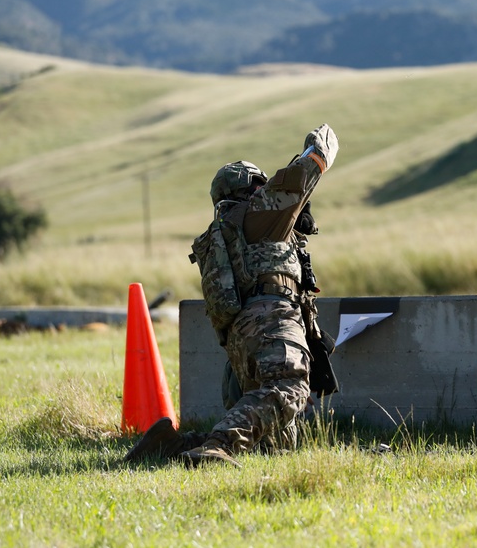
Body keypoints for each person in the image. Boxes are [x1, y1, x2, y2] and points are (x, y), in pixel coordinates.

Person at [125, 123, 338, 468]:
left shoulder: (223, 233)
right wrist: (323, 138)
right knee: (291, 385)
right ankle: (219, 445)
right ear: (251, 187)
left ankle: (169, 446)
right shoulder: (260, 212)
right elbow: (311, 164)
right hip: (273, 318)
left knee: (276, 445)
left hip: (241, 334)